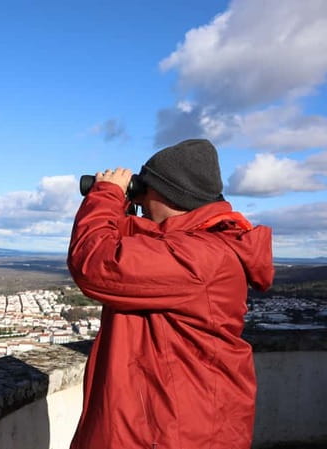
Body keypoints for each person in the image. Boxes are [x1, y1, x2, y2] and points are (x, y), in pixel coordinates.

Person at [67, 139, 274, 449]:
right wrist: (122, 206)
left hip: (173, 430)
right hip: (177, 420)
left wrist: (106, 195)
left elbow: (95, 264)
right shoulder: (199, 245)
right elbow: (140, 244)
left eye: (144, 189)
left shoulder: (200, 256)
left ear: (167, 194)